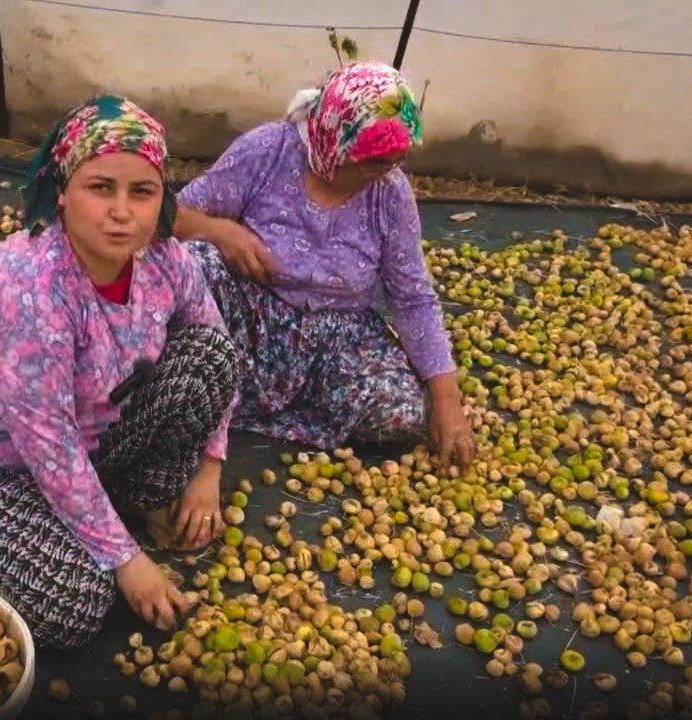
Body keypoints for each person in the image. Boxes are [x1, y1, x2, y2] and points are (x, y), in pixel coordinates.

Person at [0, 95, 240, 649]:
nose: (122, 211)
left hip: (94, 440)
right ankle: (55, 526)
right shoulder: (29, 285)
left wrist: (210, 469)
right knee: (74, 605)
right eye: (100, 187)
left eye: (142, 192)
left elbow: (216, 341)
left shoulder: (165, 259)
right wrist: (127, 560)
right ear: (62, 191)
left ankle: (107, 513)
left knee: (208, 357)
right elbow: (48, 444)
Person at [173, 60, 476, 464]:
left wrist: (447, 399)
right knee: (193, 264)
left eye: (394, 161)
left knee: (401, 414)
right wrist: (221, 232)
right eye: (372, 161)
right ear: (336, 139)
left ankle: (245, 404)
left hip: (335, 338)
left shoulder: (390, 192)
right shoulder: (270, 151)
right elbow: (171, 216)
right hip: (252, 316)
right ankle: (211, 400)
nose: (383, 172)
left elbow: (412, 297)